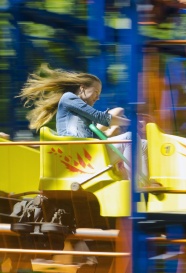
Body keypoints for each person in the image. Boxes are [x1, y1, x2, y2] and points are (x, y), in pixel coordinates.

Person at [18, 64, 155, 186]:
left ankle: (147, 182)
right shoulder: (68, 98)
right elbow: (100, 117)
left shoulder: (81, 114)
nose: (98, 97)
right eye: (96, 92)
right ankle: (138, 186)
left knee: (143, 145)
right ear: (82, 88)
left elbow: (98, 134)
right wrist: (131, 123)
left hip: (90, 149)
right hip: (80, 153)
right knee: (130, 138)